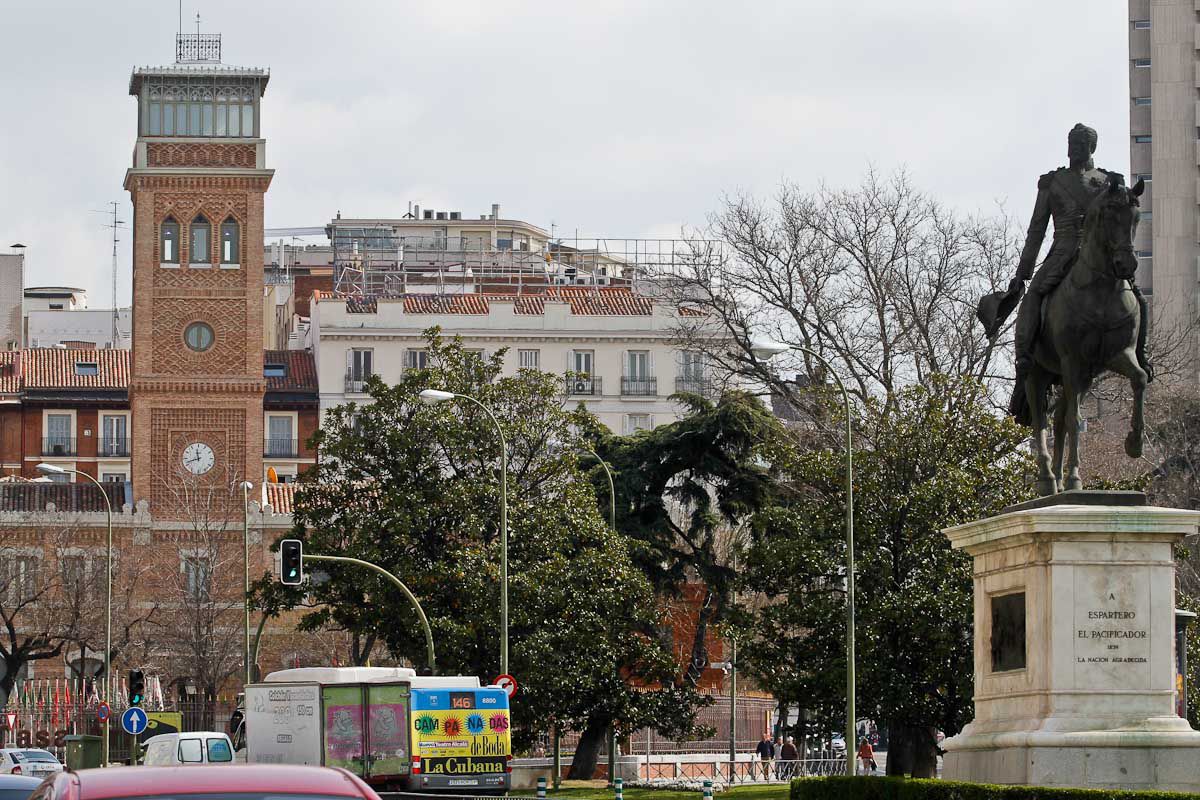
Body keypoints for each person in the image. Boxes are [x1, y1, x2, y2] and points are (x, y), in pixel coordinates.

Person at [990, 123, 1130, 422]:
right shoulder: (1052, 183)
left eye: (1079, 143)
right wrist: (1023, 273)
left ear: (1091, 147)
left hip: (1099, 256)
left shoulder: (1109, 182)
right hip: (1062, 252)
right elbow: (1036, 230)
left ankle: (1140, 354)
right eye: (1071, 142)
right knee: (1034, 297)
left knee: (1134, 297)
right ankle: (1025, 357)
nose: (1073, 148)